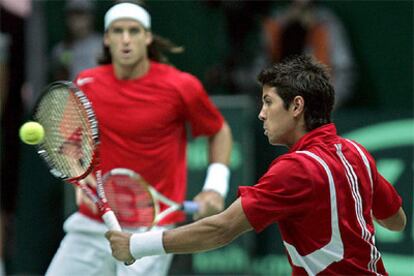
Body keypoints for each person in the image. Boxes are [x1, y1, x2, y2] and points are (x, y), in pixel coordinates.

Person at [106, 55, 406, 275]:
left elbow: (221, 230)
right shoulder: (356, 152)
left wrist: (135, 245)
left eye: (268, 102)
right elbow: (396, 221)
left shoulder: (295, 170)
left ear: (297, 106)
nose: (262, 114)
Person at [45, 2, 232, 276]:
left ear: (147, 37)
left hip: (151, 227)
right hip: (92, 223)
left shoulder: (180, 86)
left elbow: (219, 131)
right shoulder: (86, 83)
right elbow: (72, 142)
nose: (126, 39)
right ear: (106, 38)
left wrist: (215, 187)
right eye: (118, 31)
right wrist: (77, 170)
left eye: (134, 31)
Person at [233, 0, 355, 109]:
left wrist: (326, 107)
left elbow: (344, 72)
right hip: (279, 108)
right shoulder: (275, 23)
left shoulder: (327, 24)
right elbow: (255, 74)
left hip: (317, 109)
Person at [50, 0, 102, 81]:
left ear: (91, 16)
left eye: (80, 14)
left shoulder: (103, 45)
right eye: (72, 15)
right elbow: (59, 82)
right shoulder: (62, 49)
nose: (76, 19)